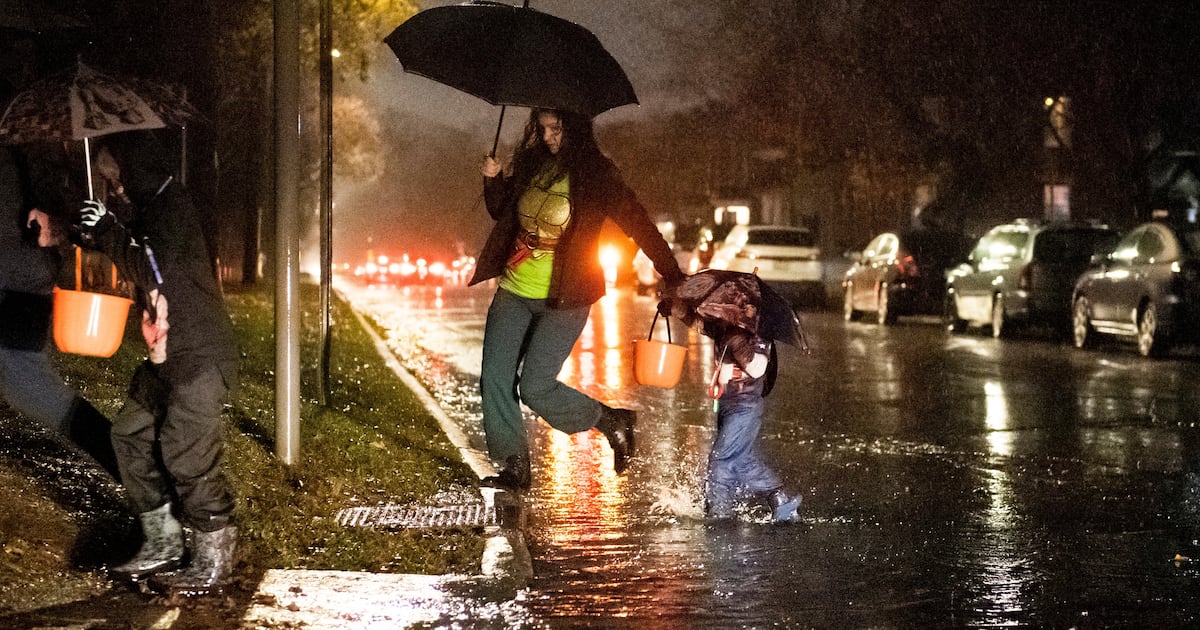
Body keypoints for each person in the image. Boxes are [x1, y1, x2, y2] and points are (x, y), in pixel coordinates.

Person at [469, 108, 686, 491]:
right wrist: (493, 179)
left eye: (556, 129)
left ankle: (610, 420)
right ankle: (514, 466)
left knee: (535, 387)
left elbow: (638, 224)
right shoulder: (533, 164)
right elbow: (502, 210)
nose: (548, 137)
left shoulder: (597, 174)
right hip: (514, 290)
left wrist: (672, 274)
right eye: (542, 129)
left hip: (567, 298)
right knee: (494, 379)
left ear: (575, 128)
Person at [71, 132, 239, 595]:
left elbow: (152, 269)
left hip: (199, 356)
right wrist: (97, 227)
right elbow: (134, 244)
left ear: (135, 167)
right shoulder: (153, 208)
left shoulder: (172, 209)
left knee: (186, 453)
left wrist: (108, 227)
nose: (115, 185)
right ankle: (163, 540)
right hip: (166, 355)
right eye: (109, 179)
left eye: (116, 176)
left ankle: (215, 554)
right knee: (129, 435)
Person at [0, 77, 121, 481]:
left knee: (32, 390)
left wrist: (58, 226)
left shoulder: (31, 150)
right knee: (29, 389)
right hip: (23, 280)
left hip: (20, 285)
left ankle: (132, 464)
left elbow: (75, 214)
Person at [705, 327, 802, 523]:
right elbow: (704, 323)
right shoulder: (725, 323)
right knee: (742, 460)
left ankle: (719, 513)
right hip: (728, 402)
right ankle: (781, 501)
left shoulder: (755, 330)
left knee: (722, 458)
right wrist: (678, 311)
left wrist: (737, 344)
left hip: (744, 406)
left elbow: (758, 368)